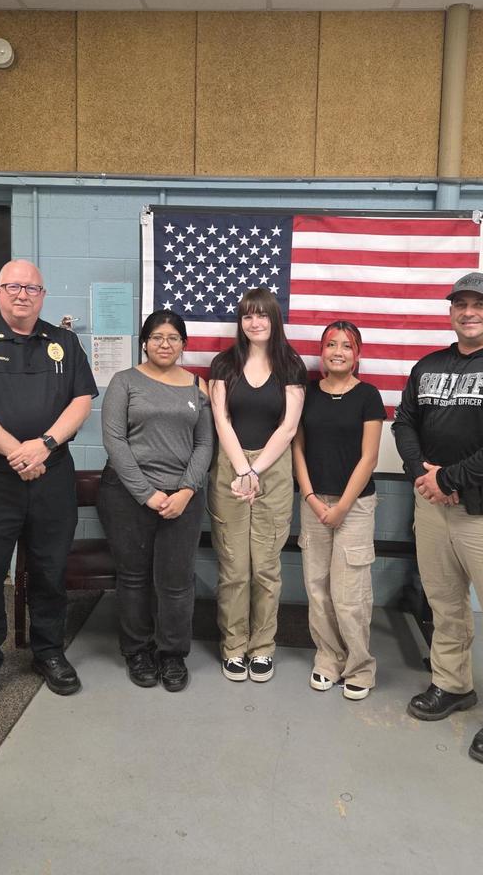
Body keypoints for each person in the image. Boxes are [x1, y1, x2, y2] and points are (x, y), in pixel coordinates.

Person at [393, 271, 483, 764]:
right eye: (461, 303)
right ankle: (452, 686)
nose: (469, 311)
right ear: (451, 311)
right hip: (433, 509)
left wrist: (448, 479)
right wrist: (423, 475)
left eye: (480, 303)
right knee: (446, 606)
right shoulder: (428, 365)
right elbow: (405, 421)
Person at [0, 260, 97, 719]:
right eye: (13, 286)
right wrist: (18, 451)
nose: (22, 294)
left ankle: (49, 650)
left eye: (32, 287)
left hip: (51, 477)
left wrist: (45, 446)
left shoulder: (64, 342)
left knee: (50, 570)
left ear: (43, 294)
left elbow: (81, 401)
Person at [97, 310, 213, 692]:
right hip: (127, 495)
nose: (165, 344)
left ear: (184, 344)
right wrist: (147, 494)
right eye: (157, 337)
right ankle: (138, 650)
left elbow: (204, 444)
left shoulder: (198, 386)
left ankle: (173, 653)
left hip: (183, 497)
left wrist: (185, 491)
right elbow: (115, 442)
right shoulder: (124, 382)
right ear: (144, 342)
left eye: (173, 338)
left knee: (177, 581)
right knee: (133, 577)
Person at [208, 288, 306, 682]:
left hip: (274, 468)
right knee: (234, 567)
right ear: (241, 322)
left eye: (262, 315)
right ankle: (234, 646)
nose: (255, 322)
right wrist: (240, 469)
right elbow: (222, 420)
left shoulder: (291, 365)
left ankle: (262, 647)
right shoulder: (223, 364)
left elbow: (289, 427)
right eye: (248, 315)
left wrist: (256, 470)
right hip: (230, 465)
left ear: (274, 319)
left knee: (265, 567)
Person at [293, 321, 386, 700]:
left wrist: (343, 507)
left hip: (356, 506)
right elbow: (297, 448)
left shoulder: (368, 396)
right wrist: (313, 498)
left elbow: (369, 457)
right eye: (331, 344)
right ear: (321, 351)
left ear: (357, 354)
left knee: (350, 594)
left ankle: (360, 666)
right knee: (318, 589)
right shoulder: (307, 395)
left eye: (346, 346)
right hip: (314, 504)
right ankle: (328, 658)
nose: (338, 351)